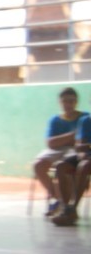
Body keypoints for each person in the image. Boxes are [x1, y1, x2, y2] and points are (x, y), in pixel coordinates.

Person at [33, 87, 83, 216]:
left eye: (71, 101)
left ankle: (63, 202)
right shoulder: (55, 120)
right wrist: (73, 135)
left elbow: (83, 140)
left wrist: (64, 140)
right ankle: (58, 198)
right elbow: (51, 143)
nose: (68, 104)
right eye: (65, 101)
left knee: (66, 167)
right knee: (38, 165)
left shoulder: (85, 118)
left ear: (76, 102)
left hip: (75, 150)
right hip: (56, 149)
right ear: (60, 102)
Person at [50, 109, 90, 227]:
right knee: (60, 166)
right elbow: (79, 145)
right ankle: (65, 207)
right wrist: (84, 150)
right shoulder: (86, 120)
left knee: (84, 166)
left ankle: (72, 210)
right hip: (87, 155)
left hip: (88, 160)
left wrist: (87, 147)